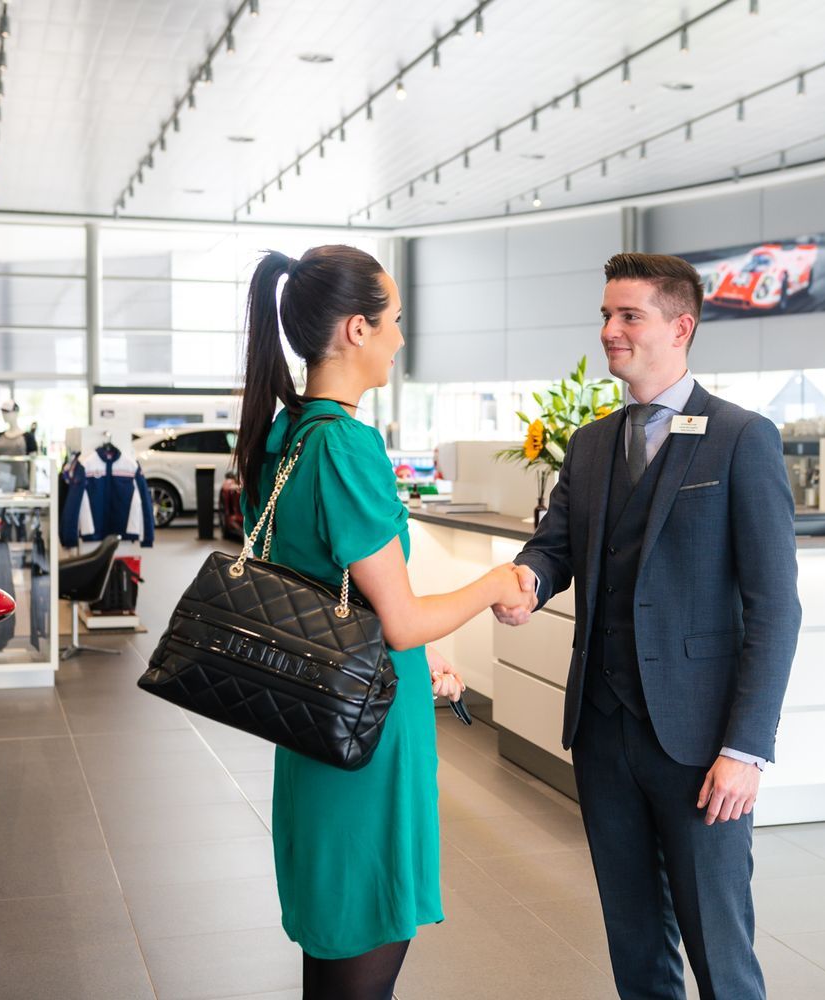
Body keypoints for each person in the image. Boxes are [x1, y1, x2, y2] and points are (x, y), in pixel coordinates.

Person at [492, 253, 801, 1000]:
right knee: (634, 941)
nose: (609, 331)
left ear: (681, 326)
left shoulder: (741, 438)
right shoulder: (594, 443)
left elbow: (774, 606)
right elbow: (556, 544)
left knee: (719, 948)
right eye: (605, 315)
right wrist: (530, 579)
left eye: (628, 315)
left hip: (699, 743)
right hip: (602, 731)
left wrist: (746, 748)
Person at [233, 245, 529, 1000]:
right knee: (362, 941)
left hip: (315, 715)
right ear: (357, 330)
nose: (402, 337)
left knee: (335, 940)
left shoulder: (283, 438)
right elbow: (399, 620)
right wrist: (494, 581)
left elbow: (322, 587)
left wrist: (416, 655)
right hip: (363, 736)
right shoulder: (345, 444)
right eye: (396, 320)